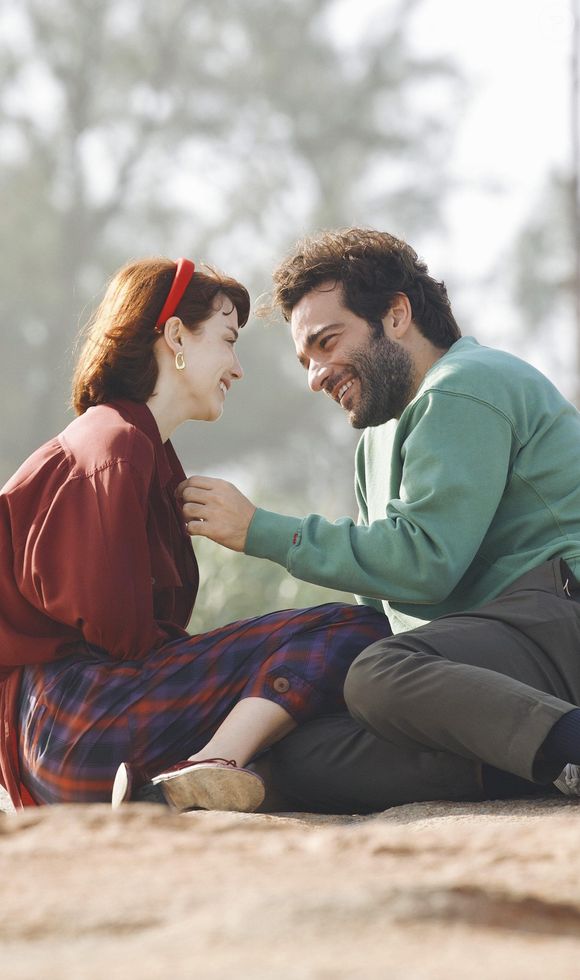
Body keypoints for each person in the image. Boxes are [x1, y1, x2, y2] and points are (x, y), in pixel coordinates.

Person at [177, 227, 580, 813]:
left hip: (558, 622)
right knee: (305, 750)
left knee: (378, 675)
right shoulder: (378, 435)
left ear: (395, 315)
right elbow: (381, 595)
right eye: (305, 359)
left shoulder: (466, 386)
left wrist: (259, 529)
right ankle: (535, 761)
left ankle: (567, 744)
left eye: (327, 341)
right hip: (486, 662)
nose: (315, 374)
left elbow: (423, 563)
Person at [0, 255, 391, 812]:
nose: (237, 368)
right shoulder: (117, 445)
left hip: (61, 737)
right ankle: (215, 762)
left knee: (300, 701)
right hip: (81, 723)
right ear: (176, 336)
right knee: (356, 629)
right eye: (229, 340)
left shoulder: (135, 447)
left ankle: (189, 779)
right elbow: (120, 630)